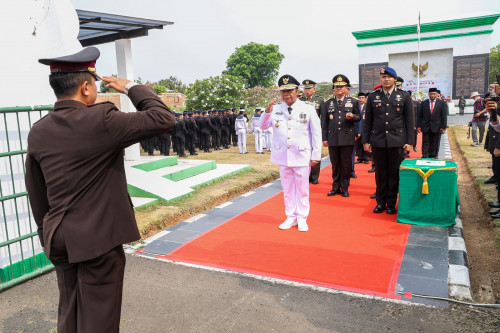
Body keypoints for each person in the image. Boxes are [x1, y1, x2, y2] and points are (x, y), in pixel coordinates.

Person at [25, 47, 175, 332]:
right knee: (99, 318)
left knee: (70, 311)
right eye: (93, 83)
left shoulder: (39, 129)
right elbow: (163, 118)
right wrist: (131, 87)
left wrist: (44, 233)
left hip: (58, 236)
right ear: (85, 87)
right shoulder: (103, 120)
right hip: (97, 239)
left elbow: (35, 188)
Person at [261, 74, 322, 232]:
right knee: (287, 188)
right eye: (283, 91)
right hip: (283, 156)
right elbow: (263, 126)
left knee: (302, 189)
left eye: (289, 90)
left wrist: (316, 156)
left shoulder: (307, 109)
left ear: (297, 91)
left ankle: (302, 217)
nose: (286, 94)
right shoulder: (276, 109)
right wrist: (267, 111)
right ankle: (290, 216)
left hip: (301, 155)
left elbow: (316, 134)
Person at [362, 66, 414, 215]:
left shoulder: (404, 96)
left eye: (389, 77)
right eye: (383, 77)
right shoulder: (373, 96)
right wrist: (365, 140)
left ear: (394, 79)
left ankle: (391, 204)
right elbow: (367, 121)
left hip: (396, 141)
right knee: (380, 174)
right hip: (378, 141)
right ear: (380, 79)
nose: (386, 79)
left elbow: (410, 121)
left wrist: (410, 142)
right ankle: (380, 202)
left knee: (394, 174)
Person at [322, 75, 360, 197]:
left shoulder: (353, 102)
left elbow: (358, 117)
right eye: (336, 87)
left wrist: (352, 117)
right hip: (333, 137)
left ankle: (344, 187)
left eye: (341, 86)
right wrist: (324, 138)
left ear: (346, 88)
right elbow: (324, 122)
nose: (338, 88)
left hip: (347, 137)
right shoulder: (328, 103)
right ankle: (335, 187)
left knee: (345, 164)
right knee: (335, 164)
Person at [300, 79, 325, 184]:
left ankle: (314, 176)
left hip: (315, 131)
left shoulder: (319, 100)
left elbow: (323, 116)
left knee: (315, 152)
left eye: (309, 88)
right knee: (303, 153)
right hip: (303, 131)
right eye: (305, 88)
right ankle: (304, 175)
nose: (307, 91)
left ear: (314, 89)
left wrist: (323, 132)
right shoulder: (299, 100)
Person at [417, 87, 448, 158]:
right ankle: (425, 155)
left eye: (434, 94)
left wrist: (443, 127)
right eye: (431, 94)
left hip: (437, 127)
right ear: (428, 94)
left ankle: (434, 155)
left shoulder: (442, 103)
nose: (432, 95)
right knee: (425, 142)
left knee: (435, 142)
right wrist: (418, 125)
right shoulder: (423, 103)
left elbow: (444, 116)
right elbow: (419, 115)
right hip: (426, 126)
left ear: (437, 94)